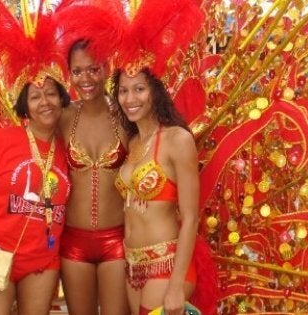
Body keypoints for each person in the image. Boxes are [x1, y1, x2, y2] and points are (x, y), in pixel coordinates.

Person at [0, 77, 72, 314]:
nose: (44, 102)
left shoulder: (70, 147)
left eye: (51, 94)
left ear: (61, 98)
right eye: (35, 97)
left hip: (42, 264)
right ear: (25, 106)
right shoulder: (2, 140)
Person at [112, 67, 202, 315]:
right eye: (123, 91)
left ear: (156, 91)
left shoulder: (177, 140)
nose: (130, 99)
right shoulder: (133, 142)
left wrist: (176, 286)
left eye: (139, 89)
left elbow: (191, 218)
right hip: (133, 265)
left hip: (167, 265)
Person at [58, 39, 130, 315]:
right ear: (70, 74)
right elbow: (30, 143)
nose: (85, 79)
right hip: (73, 242)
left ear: (107, 68)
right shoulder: (63, 117)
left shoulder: (126, 115)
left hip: (118, 241)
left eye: (94, 69)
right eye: (77, 72)